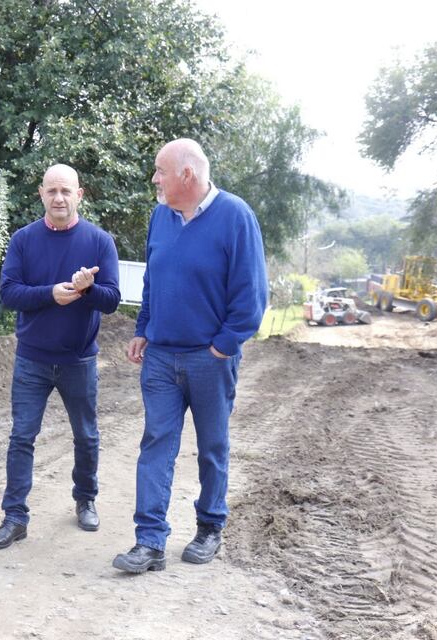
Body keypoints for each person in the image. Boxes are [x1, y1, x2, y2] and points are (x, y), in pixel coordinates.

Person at [112, 138, 268, 573]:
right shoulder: (160, 217)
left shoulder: (236, 216)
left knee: (211, 447)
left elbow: (252, 295)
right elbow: (152, 281)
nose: (155, 179)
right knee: (156, 444)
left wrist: (223, 346)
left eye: (160, 171)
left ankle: (210, 528)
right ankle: (149, 542)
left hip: (210, 359)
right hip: (161, 357)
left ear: (187, 174)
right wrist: (143, 329)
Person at [0, 164, 121, 550]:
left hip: (80, 360)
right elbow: (8, 293)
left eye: (66, 191)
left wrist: (87, 289)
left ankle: (86, 499)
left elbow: (112, 300)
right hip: (32, 359)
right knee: (21, 437)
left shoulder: (100, 241)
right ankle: (15, 517)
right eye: (52, 191)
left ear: (79, 195)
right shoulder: (23, 240)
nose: (59, 198)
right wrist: (50, 294)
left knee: (86, 436)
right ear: (41, 194)